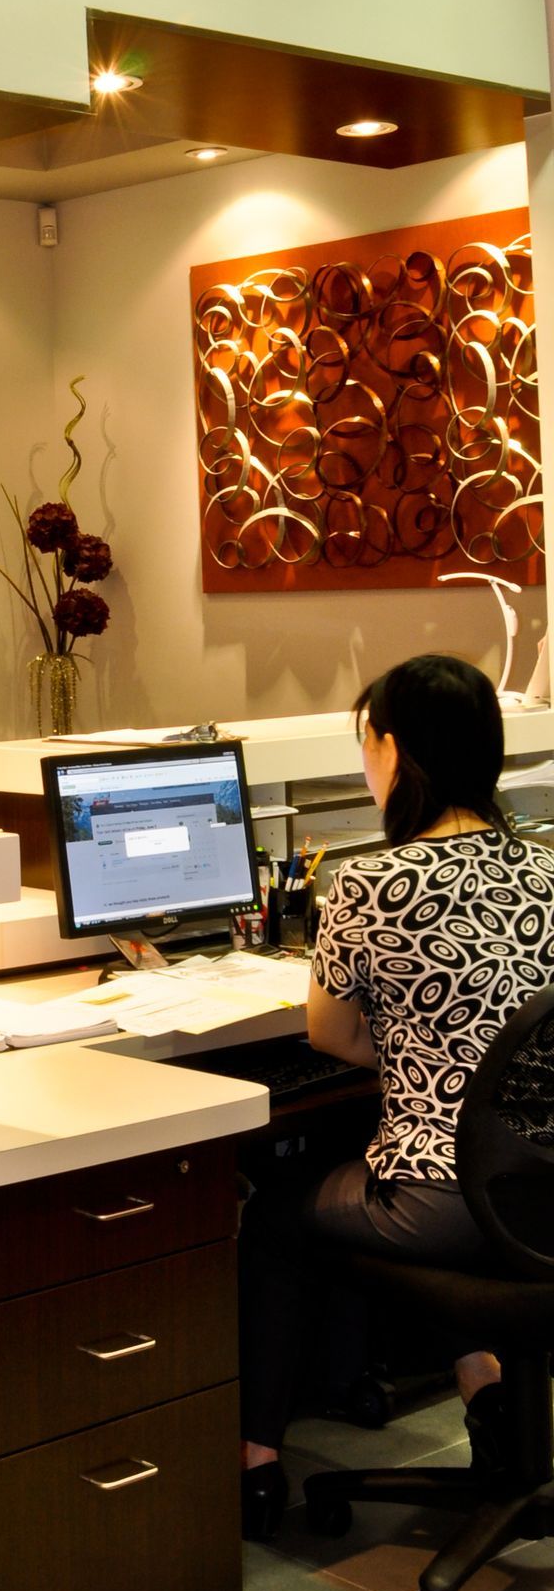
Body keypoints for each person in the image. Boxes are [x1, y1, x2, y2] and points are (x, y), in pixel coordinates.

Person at [238, 651, 554, 1537]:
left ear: (396, 752)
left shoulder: (370, 883)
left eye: (367, 742)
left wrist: (419, 1051)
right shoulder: (548, 869)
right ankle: (487, 1391)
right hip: (540, 1194)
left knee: (274, 1215)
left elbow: (331, 1036)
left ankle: (256, 1468)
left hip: (443, 1203)